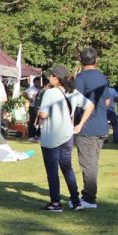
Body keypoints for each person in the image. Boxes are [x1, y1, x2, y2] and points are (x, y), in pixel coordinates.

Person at [37, 65, 89, 212]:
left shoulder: (50, 93)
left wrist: (40, 111)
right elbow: (90, 105)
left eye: (51, 75)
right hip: (67, 135)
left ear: (56, 78)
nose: (49, 78)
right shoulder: (73, 92)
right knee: (67, 168)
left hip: (51, 136)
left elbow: (44, 115)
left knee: (52, 172)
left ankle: (55, 203)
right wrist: (80, 125)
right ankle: (76, 201)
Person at [71, 47, 109, 208]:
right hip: (101, 124)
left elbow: (75, 101)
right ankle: (89, 195)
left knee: (88, 164)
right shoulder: (103, 77)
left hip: (87, 126)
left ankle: (89, 198)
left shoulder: (81, 77)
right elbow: (106, 101)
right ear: (96, 60)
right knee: (92, 162)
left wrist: (73, 122)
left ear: (81, 60)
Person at [25, 76, 42, 141]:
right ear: (34, 82)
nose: (38, 83)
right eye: (37, 82)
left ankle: (37, 135)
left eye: (39, 82)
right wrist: (29, 99)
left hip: (39, 107)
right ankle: (31, 136)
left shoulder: (41, 88)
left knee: (39, 122)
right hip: (32, 107)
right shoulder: (31, 89)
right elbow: (24, 93)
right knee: (32, 121)